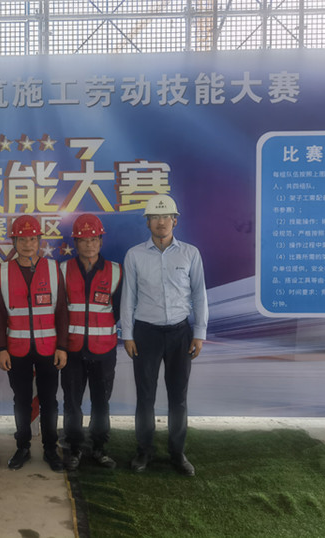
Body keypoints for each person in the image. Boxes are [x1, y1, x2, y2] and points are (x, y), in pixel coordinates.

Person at [121, 194, 208, 476]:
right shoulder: (134, 255)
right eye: (155, 217)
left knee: (178, 397)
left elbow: (199, 294)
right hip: (145, 333)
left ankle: (177, 452)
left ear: (175, 220)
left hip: (180, 333)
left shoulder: (190, 254)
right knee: (145, 397)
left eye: (166, 217)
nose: (161, 222)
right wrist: (128, 335)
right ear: (147, 222)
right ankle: (144, 451)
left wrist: (199, 333)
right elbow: (128, 297)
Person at [0, 215, 69, 472]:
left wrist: (62, 347)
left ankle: (50, 449)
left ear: (39, 241)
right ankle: (22, 447)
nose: (28, 244)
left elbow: (62, 311)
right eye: (22, 239)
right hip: (17, 350)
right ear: (14, 242)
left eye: (32, 239)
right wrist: (2, 349)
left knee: (50, 401)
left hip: (49, 349)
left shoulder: (53, 269)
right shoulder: (3, 271)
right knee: (21, 401)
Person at [59, 213, 122, 471]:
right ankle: (74, 448)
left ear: (101, 241)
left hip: (104, 350)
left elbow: (120, 310)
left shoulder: (116, 271)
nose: (89, 244)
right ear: (75, 242)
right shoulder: (63, 270)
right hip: (72, 350)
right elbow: (59, 311)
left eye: (94, 239)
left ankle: (99, 448)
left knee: (101, 402)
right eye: (83, 240)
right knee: (72, 403)